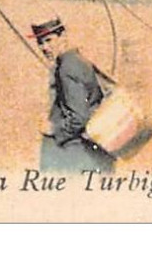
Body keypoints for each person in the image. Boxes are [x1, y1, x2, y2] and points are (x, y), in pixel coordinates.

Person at [33, 18, 114, 174]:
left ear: (63, 36)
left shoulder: (67, 67)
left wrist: (54, 130)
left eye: (49, 40)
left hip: (75, 155)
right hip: (87, 152)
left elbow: (79, 118)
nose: (44, 47)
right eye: (40, 42)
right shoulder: (76, 60)